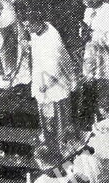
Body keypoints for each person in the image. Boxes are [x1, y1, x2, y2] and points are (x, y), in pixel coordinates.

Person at [26, 9, 78, 155]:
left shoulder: (53, 38)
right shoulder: (38, 31)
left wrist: (46, 85)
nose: (27, 28)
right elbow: (39, 47)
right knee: (45, 113)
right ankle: (49, 141)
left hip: (54, 82)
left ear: (37, 23)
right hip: (41, 77)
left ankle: (63, 145)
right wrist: (30, 44)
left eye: (29, 25)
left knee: (59, 115)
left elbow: (56, 66)